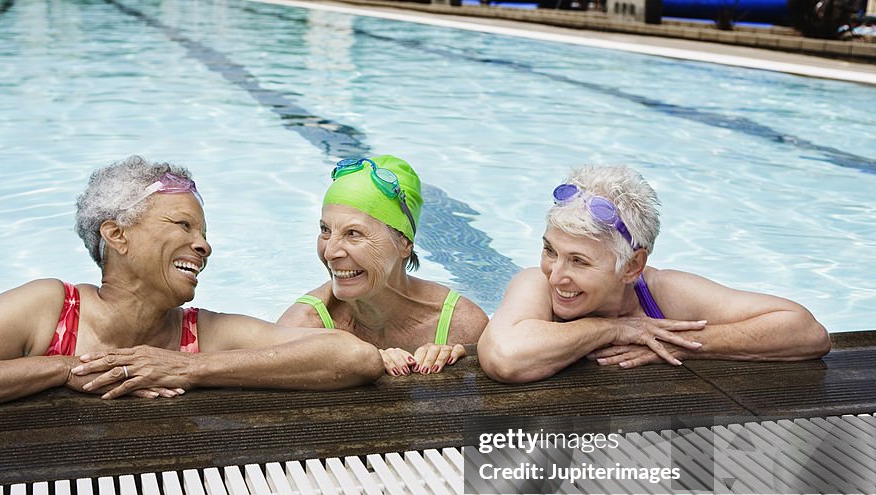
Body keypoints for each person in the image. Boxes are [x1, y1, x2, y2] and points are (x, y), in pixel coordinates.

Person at [0, 156, 384, 421]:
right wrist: (63, 368)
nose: (203, 246)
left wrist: (188, 367)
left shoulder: (201, 333)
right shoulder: (50, 308)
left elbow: (354, 358)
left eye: (204, 234)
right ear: (115, 234)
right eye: (183, 226)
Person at [478, 165, 831, 383]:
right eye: (550, 250)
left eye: (579, 261)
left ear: (632, 266)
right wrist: (614, 329)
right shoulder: (535, 284)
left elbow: (807, 332)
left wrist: (683, 344)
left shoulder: (662, 292)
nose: (557, 275)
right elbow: (505, 358)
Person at [278, 155, 487, 376]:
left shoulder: (461, 325)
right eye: (325, 230)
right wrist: (356, 359)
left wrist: (455, 369)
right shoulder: (303, 324)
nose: (330, 252)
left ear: (404, 244)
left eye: (353, 234)